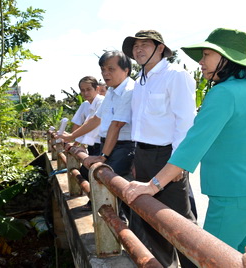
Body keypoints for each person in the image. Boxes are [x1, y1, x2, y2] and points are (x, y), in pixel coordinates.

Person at [123, 28, 246, 255]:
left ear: (226, 57)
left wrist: (153, 185)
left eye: (207, 55)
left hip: (231, 195)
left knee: (210, 257)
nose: (201, 61)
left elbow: (192, 146)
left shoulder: (223, 93)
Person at [121, 29, 197, 268]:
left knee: (180, 223)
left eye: (145, 44)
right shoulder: (140, 81)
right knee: (152, 220)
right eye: (135, 46)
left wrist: (177, 165)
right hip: (142, 155)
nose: (139, 49)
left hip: (167, 157)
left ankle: (195, 264)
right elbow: (141, 125)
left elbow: (185, 125)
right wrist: (136, 159)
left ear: (160, 48)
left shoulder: (175, 76)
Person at [59, 50, 135, 190]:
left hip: (124, 147)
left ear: (126, 70)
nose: (105, 73)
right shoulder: (111, 91)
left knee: (113, 184)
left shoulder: (129, 90)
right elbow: (96, 119)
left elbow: (116, 125)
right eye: (103, 69)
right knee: (97, 177)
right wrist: (72, 136)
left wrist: (102, 157)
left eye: (111, 69)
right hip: (108, 145)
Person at [69, 76, 104, 156]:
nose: (86, 93)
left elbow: (93, 125)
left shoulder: (101, 102)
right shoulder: (88, 103)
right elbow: (81, 124)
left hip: (102, 144)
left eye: (89, 89)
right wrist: (76, 143)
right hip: (94, 144)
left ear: (97, 89)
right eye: (82, 90)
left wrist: (74, 139)